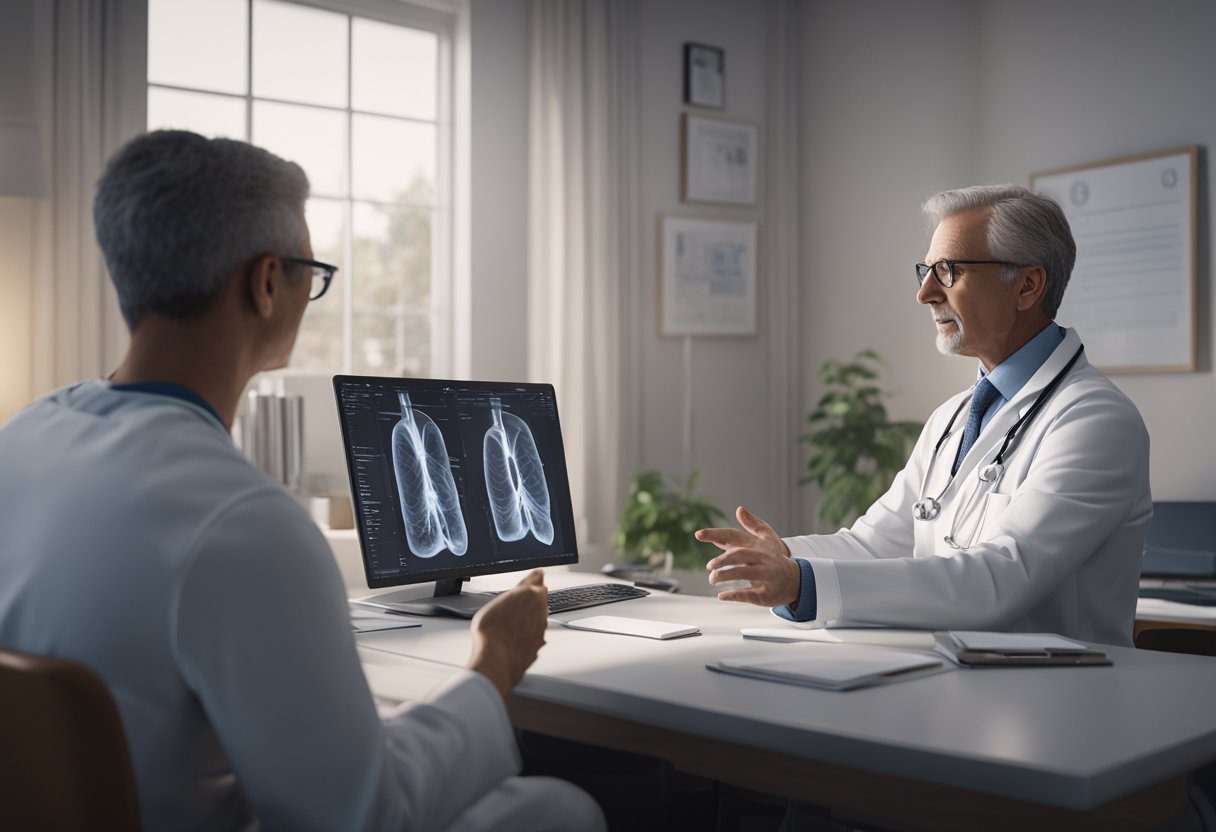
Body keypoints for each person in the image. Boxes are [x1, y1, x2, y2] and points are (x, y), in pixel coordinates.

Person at [0, 131, 604, 832]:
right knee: (562, 809)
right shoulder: (244, 524)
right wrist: (494, 662)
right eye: (310, 274)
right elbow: (366, 817)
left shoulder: (21, 440)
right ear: (265, 284)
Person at [698, 185, 1151, 647]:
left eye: (948, 271)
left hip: (1061, 686)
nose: (925, 293)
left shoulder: (1095, 420)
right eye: (926, 270)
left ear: (1027, 286)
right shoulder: (952, 417)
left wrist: (802, 584)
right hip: (948, 674)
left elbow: (1000, 578)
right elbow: (873, 545)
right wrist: (782, 557)